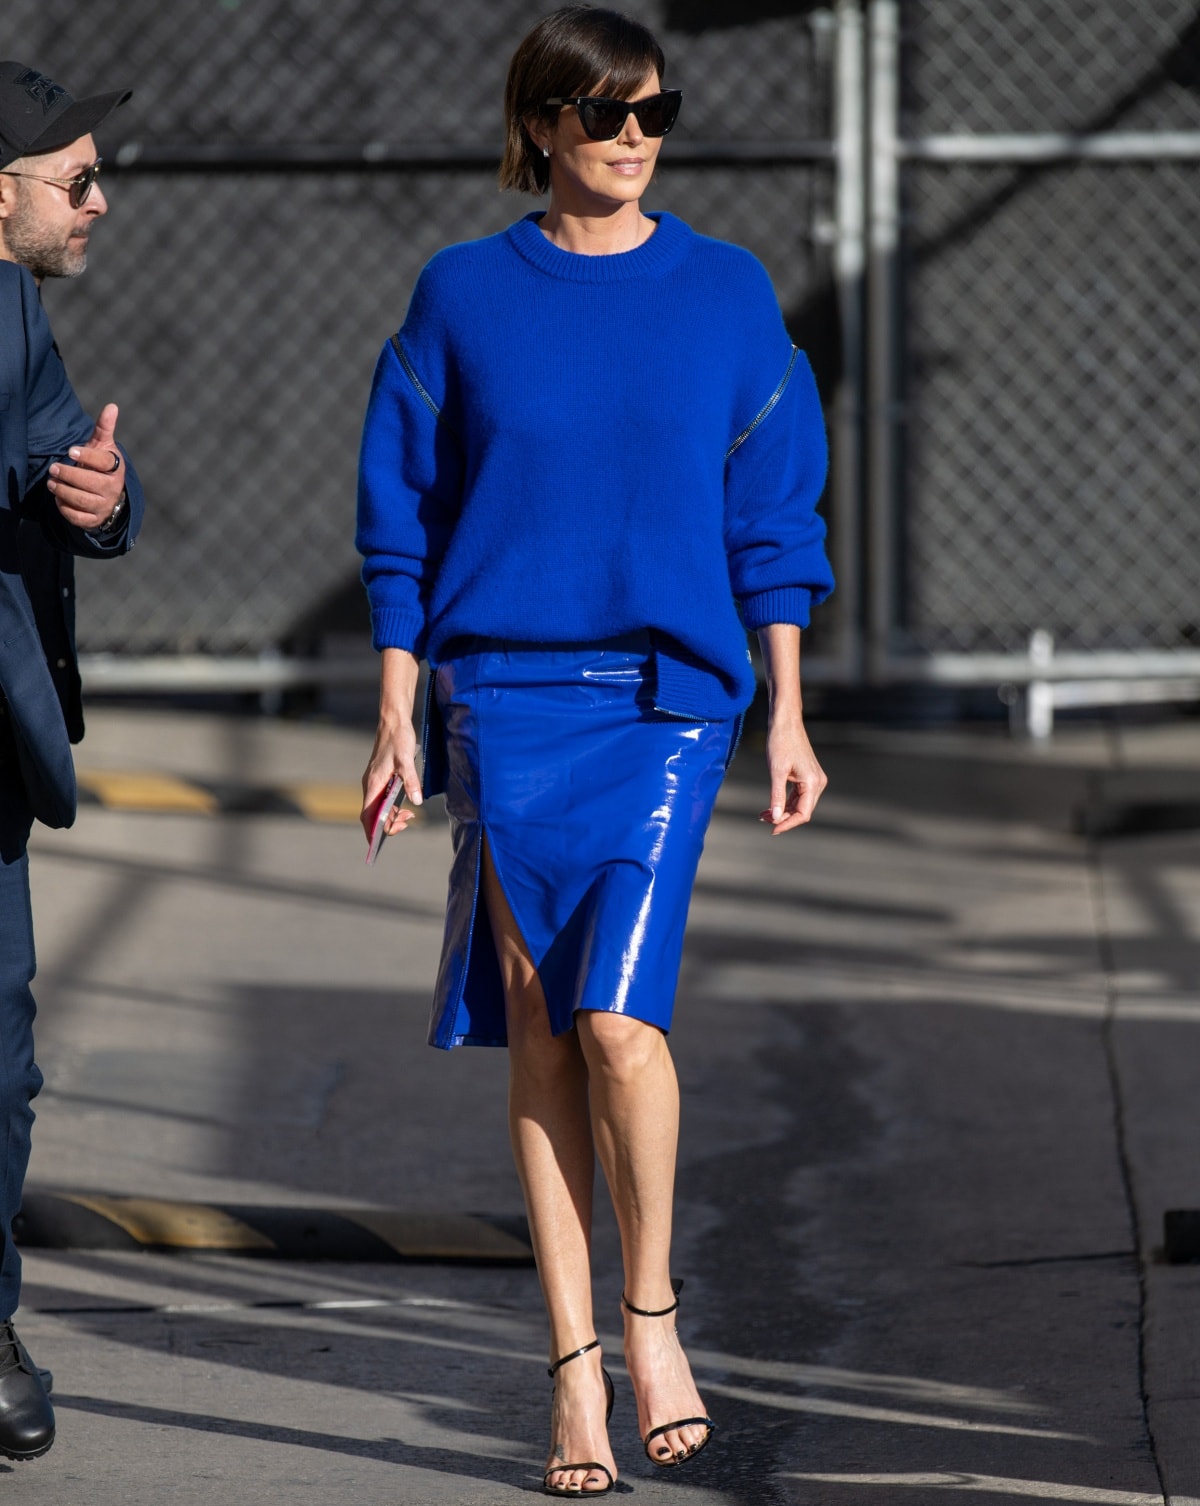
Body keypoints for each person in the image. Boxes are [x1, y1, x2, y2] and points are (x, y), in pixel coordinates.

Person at [357, 7, 833, 1495]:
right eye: (608, 114)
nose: (637, 139)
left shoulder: (728, 294)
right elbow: (404, 514)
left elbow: (774, 512)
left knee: (623, 1022)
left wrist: (793, 708)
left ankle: (653, 1315)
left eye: (657, 113)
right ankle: (571, 1367)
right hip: (505, 698)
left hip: (670, 704)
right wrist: (396, 703)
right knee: (546, 1030)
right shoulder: (457, 298)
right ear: (545, 125)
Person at [0, 61, 144, 1461]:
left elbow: (61, 450)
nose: (98, 201)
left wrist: (99, 497)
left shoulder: (15, 303)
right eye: (75, 181)